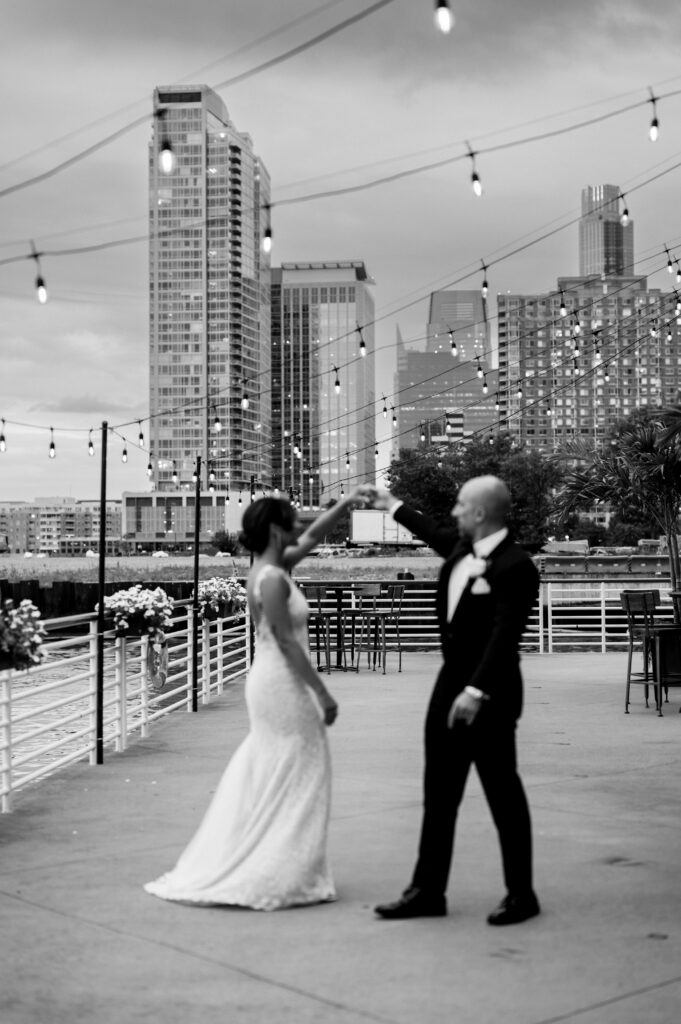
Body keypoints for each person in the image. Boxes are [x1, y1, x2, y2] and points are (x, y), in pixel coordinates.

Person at [144, 485, 373, 911]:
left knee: (291, 769)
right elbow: (285, 641)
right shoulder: (269, 578)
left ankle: (290, 864)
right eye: (289, 521)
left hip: (279, 679)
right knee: (294, 769)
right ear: (273, 529)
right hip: (280, 682)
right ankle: (278, 868)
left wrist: (344, 505)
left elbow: (314, 536)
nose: (296, 527)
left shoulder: (276, 567)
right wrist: (322, 693)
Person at [371, 476, 541, 926]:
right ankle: (427, 891)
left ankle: (522, 895)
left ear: (481, 513)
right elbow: (431, 529)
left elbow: (505, 637)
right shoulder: (461, 551)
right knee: (439, 797)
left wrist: (476, 691)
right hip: (447, 690)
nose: (454, 513)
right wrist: (390, 503)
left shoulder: (516, 565)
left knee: (503, 795)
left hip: (491, 695)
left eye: (462, 505)